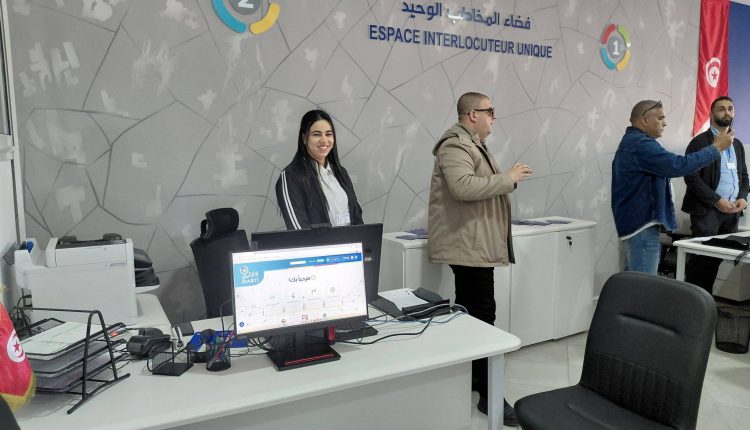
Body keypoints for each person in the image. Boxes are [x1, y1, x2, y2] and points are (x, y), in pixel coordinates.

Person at [428, 92, 532, 426]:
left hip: (474, 244)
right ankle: (489, 393)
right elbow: (462, 187)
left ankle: (474, 378)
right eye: (490, 111)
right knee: (482, 315)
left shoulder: (472, 144)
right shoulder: (455, 145)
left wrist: (506, 181)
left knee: (472, 314)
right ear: (473, 114)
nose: (494, 117)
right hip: (468, 247)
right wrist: (508, 178)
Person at [611, 100, 734, 274]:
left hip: (640, 225)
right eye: (660, 118)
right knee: (643, 284)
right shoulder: (640, 144)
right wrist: (717, 147)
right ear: (645, 120)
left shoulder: (636, 142)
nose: (665, 123)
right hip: (642, 226)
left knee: (634, 281)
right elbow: (678, 165)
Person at [681, 96, 749, 293]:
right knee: (702, 261)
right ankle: (694, 303)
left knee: (716, 259)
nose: (727, 112)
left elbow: (744, 176)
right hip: (707, 211)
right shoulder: (700, 142)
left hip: (731, 212)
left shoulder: (737, 144)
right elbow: (691, 177)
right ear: (711, 114)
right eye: (721, 109)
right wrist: (717, 201)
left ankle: (706, 302)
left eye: (730, 108)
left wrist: (743, 197)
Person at [276, 109, 363, 230]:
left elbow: (357, 218)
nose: (324, 140)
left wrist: (362, 240)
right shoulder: (291, 177)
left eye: (328, 134)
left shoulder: (341, 172)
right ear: (304, 138)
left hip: (351, 242)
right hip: (318, 243)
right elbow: (299, 232)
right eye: (316, 134)